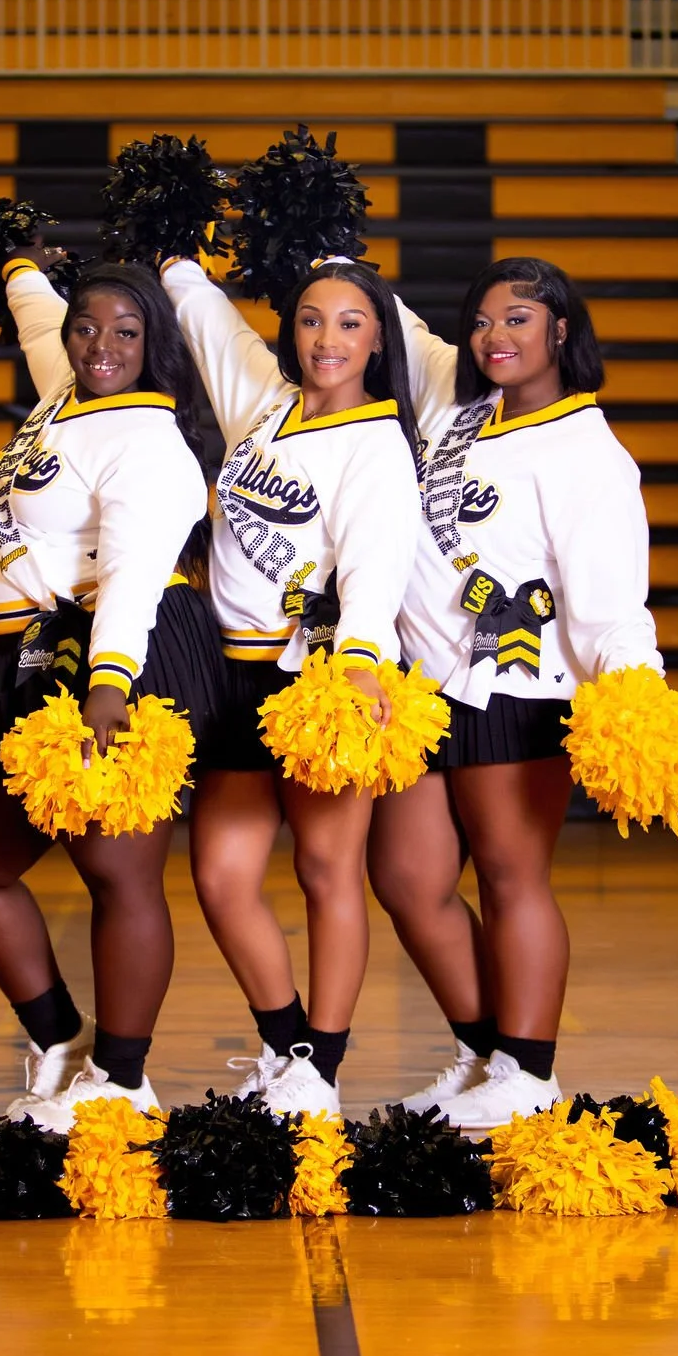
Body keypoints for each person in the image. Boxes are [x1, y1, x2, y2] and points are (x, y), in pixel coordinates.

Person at [0, 251, 223, 1130]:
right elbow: (35, 318)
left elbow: (132, 574)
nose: (99, 346)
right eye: (86, 329)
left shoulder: (147, 438)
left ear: (152, 344)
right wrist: (14, 259)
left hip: (116, 652)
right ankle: (63, 1042)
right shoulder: (66, 393)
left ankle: (124, 1081)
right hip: (22, 653)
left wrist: (110, 683)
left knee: (115, 870)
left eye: (124, 333)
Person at [367, 257, 663, 1129]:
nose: (496, 337)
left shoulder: (589, 454)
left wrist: (637, 699)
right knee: (406, 877)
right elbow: (407, 333)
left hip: (520, 689)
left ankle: (529, 1073)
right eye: (484, 321)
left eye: (520, 320)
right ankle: (483, 1054)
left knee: (510, 875)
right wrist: (326, 246)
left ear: (561, 332)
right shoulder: (460, 417)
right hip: (426, 690)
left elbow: (613, 605)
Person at [160, 255, 422, 1116]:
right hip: (229, 675)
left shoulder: (378, 444)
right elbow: (207, 320)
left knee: (325, 869)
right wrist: (176, 261)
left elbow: (379, 569)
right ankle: (285, 1045)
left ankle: (322, 1069)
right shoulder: (264, 405)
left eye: (350, 323)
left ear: (380, 337)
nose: (327, 339)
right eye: (312, 319)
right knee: (222, 877)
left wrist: (357, 662)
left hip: (314, 680)